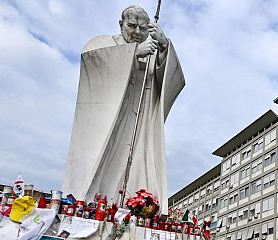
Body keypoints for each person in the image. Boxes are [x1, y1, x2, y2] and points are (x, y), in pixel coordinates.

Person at [62, 5, 185, 210]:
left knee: (138, 162)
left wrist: (164, 47)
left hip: (140, 122)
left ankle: (134, 204)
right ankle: (93, 203)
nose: (137, 32)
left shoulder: (153, 51)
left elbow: (174, 80)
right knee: (106, 161)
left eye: (143, 28)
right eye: (132, 26)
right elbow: (91, 60)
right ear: (121, 25)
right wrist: (133, 53)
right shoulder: (105, 45)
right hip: (111, 119)